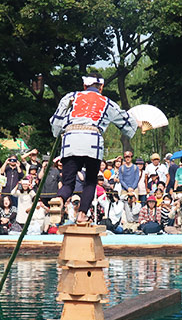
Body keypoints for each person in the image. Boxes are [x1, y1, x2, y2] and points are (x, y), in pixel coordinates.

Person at [50, 72, 140, 223]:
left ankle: (59, 198)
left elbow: (56, 123)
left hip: (70, 140)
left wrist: (58, 131)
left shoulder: (70, 97)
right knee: (90, 182)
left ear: (84, 86)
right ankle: (82, 215)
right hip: (92, 142)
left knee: (68, 183)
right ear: (102, 87)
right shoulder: (107, 102)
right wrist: (137, 123)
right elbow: (126, 124)